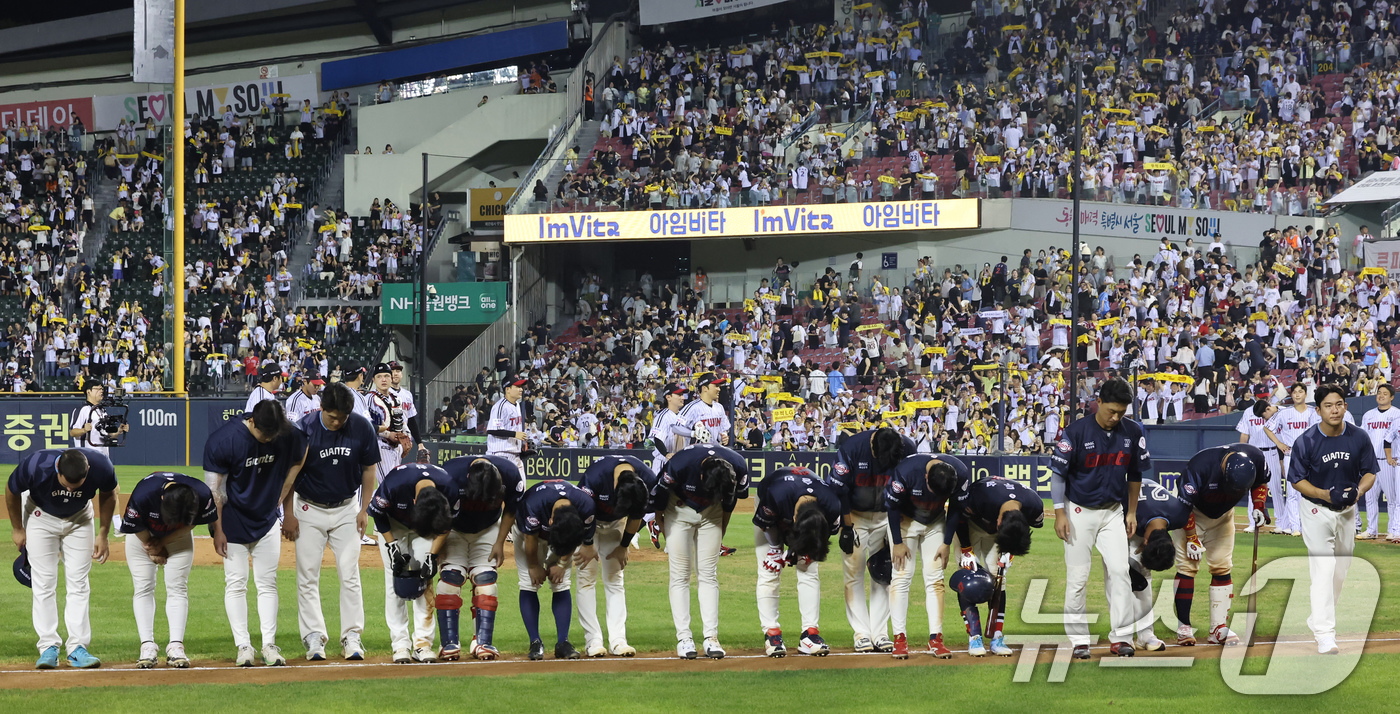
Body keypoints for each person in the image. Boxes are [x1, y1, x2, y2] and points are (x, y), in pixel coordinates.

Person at [1049, 377, 1149, 658]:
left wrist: (1131, 511)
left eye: (1121, 412)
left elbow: (1135, 474)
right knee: (1078, 578)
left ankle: (1121, 637)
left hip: (1112, 513)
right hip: (1078, 512)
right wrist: (1059, 513)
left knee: (1120, 572)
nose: (1115, 417)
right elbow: (1058, 476)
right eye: (1111, 411)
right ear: (1099, 402)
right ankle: (1080, 640)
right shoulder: (1076, 431)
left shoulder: (1132, 431)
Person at [203, 400, 307, 667]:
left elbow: (300, 455)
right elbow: (214, 491)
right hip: (233, 523)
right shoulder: (224, 440)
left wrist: (285, 496)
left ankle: (269, 645)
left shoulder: (287, 433)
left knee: (267, 583)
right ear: (252, 422)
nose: (271, 438)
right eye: (266, 434)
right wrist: (218, 529)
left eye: (275, 434)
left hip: (267, 521)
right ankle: (243, 646)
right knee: (236, 583)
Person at [286, 383, 380, 661]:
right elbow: (290, 475)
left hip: (346, 509)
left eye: (343, 417)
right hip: (308, 508)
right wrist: (288, 513)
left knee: (349, 573)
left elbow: (369, 469)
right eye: (332, 417)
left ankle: (352, 636)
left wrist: (364, 508)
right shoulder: (303, 429)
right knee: (307, 575)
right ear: (321, 408)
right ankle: (314, 636)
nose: (338, 422)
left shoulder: (361, 427)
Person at [5, 448, 117, 669]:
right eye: (65, 484)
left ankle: (77, 648)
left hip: (80, 519)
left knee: (79, 582)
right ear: (57, 469)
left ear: (88, 472)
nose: (68, 490)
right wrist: (18, 528)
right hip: (40, 517)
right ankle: (48, 647)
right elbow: (11, 490)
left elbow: (109, 493)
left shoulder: (101, 465)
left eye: (75, 486)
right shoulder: (36, 464)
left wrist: (103, 532)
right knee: (43, 583)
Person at [1288, 384, 1379, 654]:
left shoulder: (1359, 437)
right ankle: (1325, 633)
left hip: (1347, 511)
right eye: (1328, 405)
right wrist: (1324, 495)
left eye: (1339, 404)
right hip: (1316, 510)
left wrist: (1359, 491)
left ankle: (1317, 617)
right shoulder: (1306, 441)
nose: (1335, 409)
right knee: (1324, 570)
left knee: (1340, 572)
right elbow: (1296, 480)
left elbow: (1370, 472)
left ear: (1346, 407)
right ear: (1318, 410)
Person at [651, 442, 750, 660]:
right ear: (702, 477)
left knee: (708, 574)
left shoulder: (738, 466)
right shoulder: (680, 464)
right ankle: (684, 638)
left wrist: (722, 528)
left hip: (712, 514)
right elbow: (659, 494)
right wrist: (660, 521)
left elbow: (730, 502)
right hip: (678, 509)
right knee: (680, 575)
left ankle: (711, 637)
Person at [1173, 443, 1270, 646]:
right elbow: (1183, 505)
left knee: (1222, 566)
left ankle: (1218, 628)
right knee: (1187, 567)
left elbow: (1261, 482)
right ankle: (1184, 628)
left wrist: (1259, 505)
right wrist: (1191, 538)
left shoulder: (1257, 458)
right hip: (1191, 514)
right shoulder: (1201, 466)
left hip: (1224, 516)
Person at [119, 471, 216, 668]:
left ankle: (176, 646)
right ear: (162, 499)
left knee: (177, 588)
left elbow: (191, 524)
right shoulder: (144, 494)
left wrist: (163, 542)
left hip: (178, 537)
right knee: (143, 587)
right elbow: (134, 526)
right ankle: (147, 646)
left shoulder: (201, 494)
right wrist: (152, 547)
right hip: (142, 536)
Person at [828, 427, 913, 653]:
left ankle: (880, 632)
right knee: (853, 573)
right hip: (856, 516)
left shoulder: (905, 447)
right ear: (874, 448)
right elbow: (839, 489)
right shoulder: (853, 448)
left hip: (887, 516)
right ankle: (861, 633)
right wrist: (846, 526)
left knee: (885, 573)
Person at [437, 454, 525, 661]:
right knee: (450, 580)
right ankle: (449, 642)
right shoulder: (449, 475)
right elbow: (440, 513)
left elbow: (511, 511)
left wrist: (500, 542)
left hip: (488, 529)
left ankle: (483, 641)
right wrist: (438, 546)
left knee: (486, 581)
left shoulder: (511, 474)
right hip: (454, 529)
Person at [367, 462, 456, 663]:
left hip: (427, 525)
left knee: (425, 578)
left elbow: (446, 524)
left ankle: (422, 644)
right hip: (394, 524)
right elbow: (378, 515)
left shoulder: (449, 488)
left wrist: (432, 556)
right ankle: (400, 644)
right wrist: (392, 546)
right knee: (395, 578)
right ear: (413, 500)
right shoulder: (394, 485)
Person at [946, 476, 1042, 656]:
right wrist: (966, 549)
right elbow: (957, 515)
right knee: (969, 575)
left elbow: (1020, 532)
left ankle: (997, 636)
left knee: (999, 578)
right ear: (998, 523)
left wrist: (1008, 553)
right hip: (969, 525)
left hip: (998, 529)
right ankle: (974, 637)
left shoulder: (1034, 506)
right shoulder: (980, 496)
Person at [884, 452, 967, 658]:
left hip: (936, 522)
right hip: (905, 520)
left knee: (936, 579)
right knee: (901, 578)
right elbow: (892, 507)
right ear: (926, 476)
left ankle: (936, 638)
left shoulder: (961, 473)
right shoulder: (906, 472)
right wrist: (897, 542)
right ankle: (899, 638)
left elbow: (956, 509)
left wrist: (947, 542)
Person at [753, 467, 842, 658]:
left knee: (809, 569)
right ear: (793, 519)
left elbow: (825, 536)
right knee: (770, 569)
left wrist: (807, 553)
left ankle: (809, 634)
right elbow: (765, 523)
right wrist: (776, 549)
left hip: (806, 514)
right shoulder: (776, 495)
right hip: (770, 510)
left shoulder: (832, 505)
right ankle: (771, 633)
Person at [574, 455, 655, 657]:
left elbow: (636, 514)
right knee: (586, 579)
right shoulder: (595, 476)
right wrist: (587, 543)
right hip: (587, 523)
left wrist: (624, 545)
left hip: (616, 525)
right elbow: (581, 510)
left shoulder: (646, 478)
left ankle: (618, 641)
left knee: (615, 580)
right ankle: (593, 641)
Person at [513, 479, 596, 661]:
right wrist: (534, 566)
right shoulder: (533, 506)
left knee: (561, 583)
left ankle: (562, 643)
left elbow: (574, 537)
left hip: (564, 534)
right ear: (550, 520)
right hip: (528, 534)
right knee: (529, 583)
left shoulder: (586, 505)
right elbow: (530, 539)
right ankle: (535, 641)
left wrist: (561, 564)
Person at [1127, 479, 1192, 652]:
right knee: (1119, 577)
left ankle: (1145, 635)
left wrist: (1194, 539)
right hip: (1123, 509)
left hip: (1144, 517)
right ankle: (1122, 635)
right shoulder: (1132, 516)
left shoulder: (1179, 515)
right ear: (1146, 541)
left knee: (1143, 577)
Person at [1360, 384, 1399, 541]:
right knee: (1370, 498)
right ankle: (1371, 530)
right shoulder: (1368, 415)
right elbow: (1363, 437)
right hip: (1370, 461)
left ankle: (1392, 529)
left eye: (1385, 393)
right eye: (1379, 393)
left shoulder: (1397, 415)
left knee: (1392, 498)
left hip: (1388, 462)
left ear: (1391, 397)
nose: (1381, 396)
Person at [1237, 400, 1281, 534]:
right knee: (1252, 488)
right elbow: (1244, 433)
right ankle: (1252, 522)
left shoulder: (1277, 411)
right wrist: (1241, 452)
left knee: (1276, 488)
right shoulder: (1248, 412)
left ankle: (1281, 523)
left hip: (1272, 451)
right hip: (1254, 452)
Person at [368, 363, 412, 482]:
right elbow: (367, 425)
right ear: (374, 379)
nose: (383, 379)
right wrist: (388, 434)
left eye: (387, 376)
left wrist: (407, 434)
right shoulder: (369, 399)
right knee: (387, 483)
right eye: (379, 376)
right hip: (379, 444)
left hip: (397, 446)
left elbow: (403, 420)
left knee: (394, 484)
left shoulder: (396, 398)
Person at [673, 372, 731, 448]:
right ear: (704, 388)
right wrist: (693, 433)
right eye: (716, 386)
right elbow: (675, 427)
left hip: (714, 451)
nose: (719, 389)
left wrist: (724, 436)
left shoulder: (719, 407)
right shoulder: (693, 407)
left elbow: (723, 429)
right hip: (696, 453)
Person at [485, 376, 530, 472]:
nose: (521, 389)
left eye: (521, 387)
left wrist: (521, 447)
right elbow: (493, 430)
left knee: (521, 487)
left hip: (515, 454)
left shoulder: (517, 405)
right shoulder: (500, 406)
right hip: (500, 454)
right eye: (517, 387)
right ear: (508, 389)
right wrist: (515, 434)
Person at [68, 383, 127, 455]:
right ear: (88, 392)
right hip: (87, 455)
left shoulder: (102, 410)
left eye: (102, 389)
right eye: (98, 389)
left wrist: (119, 431)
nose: (101, 391)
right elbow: (72, 432)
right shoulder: (82, 409)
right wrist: (84, 430)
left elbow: (107, 435)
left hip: (103, 455)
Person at [389, 362, 429, 462]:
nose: (395, 373)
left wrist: (420, 443)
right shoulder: (383, 393)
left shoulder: (407, 394)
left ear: (402, 374)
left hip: (403, 439)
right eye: (392, 371)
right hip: (387, 438)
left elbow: (411, 420)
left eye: (398, 371)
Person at [649, 383, 687, 472]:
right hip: (664, 463)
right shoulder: (662, 416)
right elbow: (657, 438)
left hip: (679, 463)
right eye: (679, 395)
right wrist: (666, 454)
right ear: (668, 397)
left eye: (682, 395)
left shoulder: (683, 416)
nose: (683, 398)